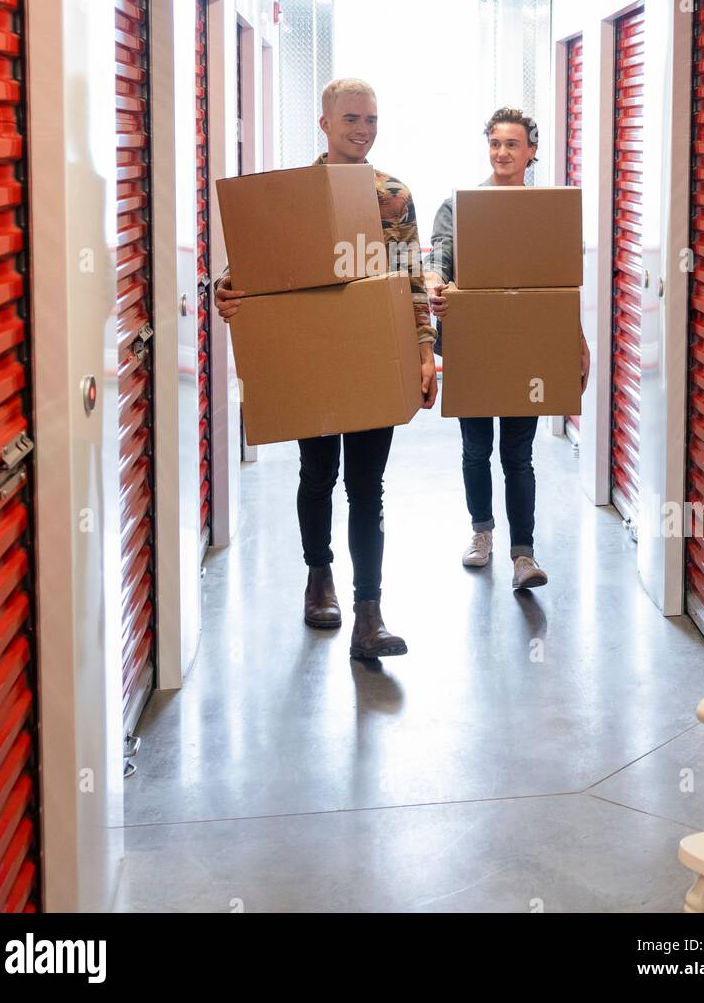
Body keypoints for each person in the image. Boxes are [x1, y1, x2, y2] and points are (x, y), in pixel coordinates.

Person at [214, 78, 437, 659]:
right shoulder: (298, 194)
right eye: (351, 120)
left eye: (371, 119)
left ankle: (370, 613)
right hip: (313, 355)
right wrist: (226, 292)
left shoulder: (393, 194)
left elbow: (412, 278)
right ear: (325, 124)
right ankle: (319, 578)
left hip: (373, 353)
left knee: (368, 487)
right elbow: (252, 271)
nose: (363, 130)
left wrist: (423, 352)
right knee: (319, 475)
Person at [426, 107, 590, 591]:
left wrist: (574, 341)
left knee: (518, 455)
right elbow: (438, 260)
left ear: (531, 151)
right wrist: (435, 286)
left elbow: (560, 283)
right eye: (495, 143)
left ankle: (524, 554)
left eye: (512, 144)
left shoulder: (545, 211)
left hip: (527, 349)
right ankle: (482, 534)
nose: (502, 152)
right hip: (474, 343)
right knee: (476, 450)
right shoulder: (459, 207)